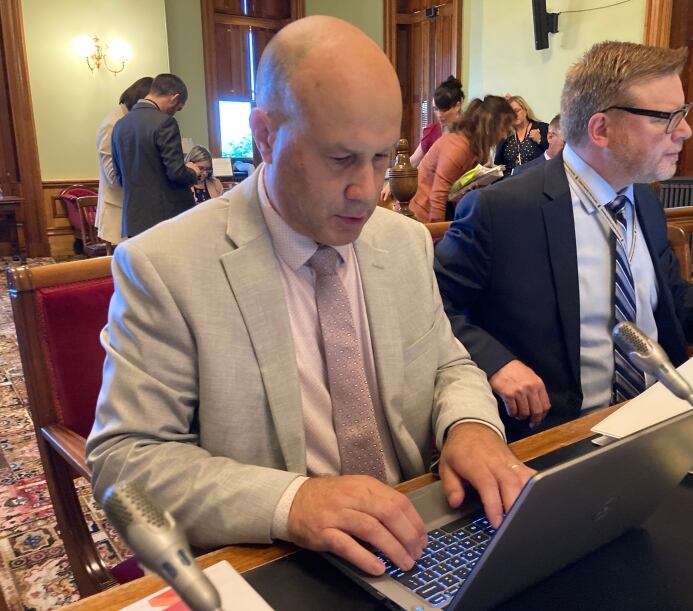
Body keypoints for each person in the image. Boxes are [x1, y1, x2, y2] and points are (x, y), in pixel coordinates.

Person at [87, 16, 532, 578]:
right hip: (278, 557)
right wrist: (293, 501)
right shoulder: (165, 266)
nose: (367, 193)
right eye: (341, 159)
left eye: (380, 159)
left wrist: (470, 426)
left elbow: (447, 363)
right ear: (266, 135)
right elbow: (125, 462)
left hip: (420, 529)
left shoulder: (404, 241)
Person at [434, 41, 693, 441]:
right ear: (601, 129)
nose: (686, 131)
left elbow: (669, 292)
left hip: (662, 417)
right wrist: (495, 363)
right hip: (560, 436)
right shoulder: (502, 210)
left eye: (682, 113)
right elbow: (438, 308)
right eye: (666, 118)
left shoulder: (643, 200)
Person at [111, 73, 200, 238]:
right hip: (166, 218)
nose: (174, 113)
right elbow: (176, 173)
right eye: (178, 108)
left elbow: (119, 176)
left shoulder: (120, 125)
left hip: (134, 220)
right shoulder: (165, 122)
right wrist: (193, 171)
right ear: (174, 98)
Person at [409, 95, 515, 222]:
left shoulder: (474, 147)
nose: (504, 136)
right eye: (503, 129)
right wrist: (440, 235)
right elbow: (438, 195)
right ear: (489, 127)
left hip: (442, 209)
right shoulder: (457, 147)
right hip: (424, 213)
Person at [379, 76, 464, 203]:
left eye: (444, 109)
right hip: (432, 195)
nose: (439, 114)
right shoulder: (432, 131)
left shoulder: (468, 133)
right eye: (436, 109)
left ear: (458, 106)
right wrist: (392, 183)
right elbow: (413, 161)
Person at [95, 76, 152, 245]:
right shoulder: (112, 124)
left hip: (136, 208)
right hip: (118, 208)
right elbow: (112, 174)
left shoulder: (132, 120)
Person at [494, 95, 548, 174]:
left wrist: (541, 140)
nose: (514, 115)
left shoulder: (542, 128)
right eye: (511, 113)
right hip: (509, 181)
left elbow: (555, 151)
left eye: (517, 110)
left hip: (535, 178)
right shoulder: (505, 134)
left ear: (525, 111)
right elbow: (497, 164)